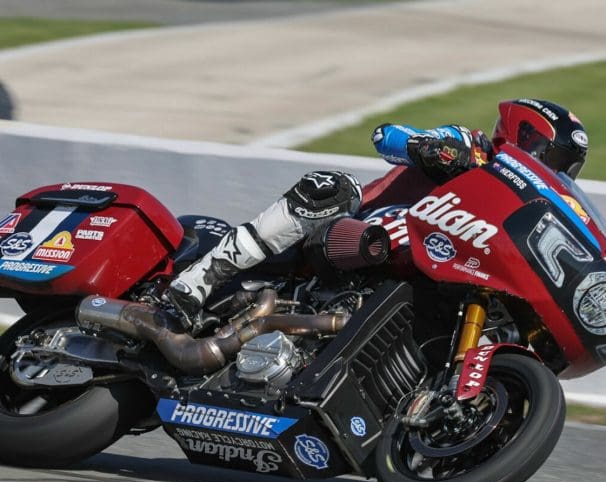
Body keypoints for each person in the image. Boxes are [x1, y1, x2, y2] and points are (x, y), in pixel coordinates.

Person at [165, 98, 589, 327]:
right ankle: (200, 279)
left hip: (427, 268)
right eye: (552, 155)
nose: (554, 169)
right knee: (333, 186)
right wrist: (426, 147)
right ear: (523, 135)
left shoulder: (529, 203)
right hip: (352, 231)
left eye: (566, 166)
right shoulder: (469, 147)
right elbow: (385, 135)